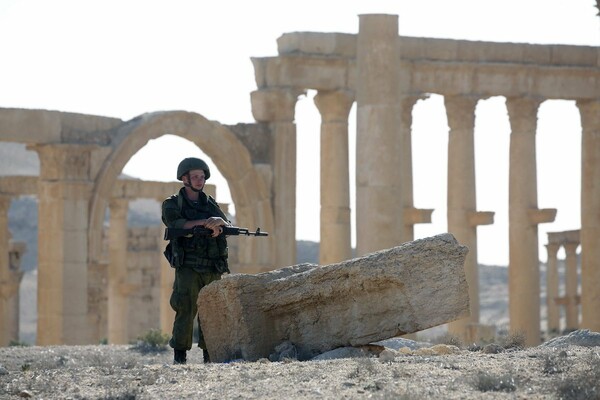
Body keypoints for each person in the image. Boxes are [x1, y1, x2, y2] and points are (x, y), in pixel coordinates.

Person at [161, 157, 230, 364]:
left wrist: (220, 222)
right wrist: (204, 223)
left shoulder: (209, 204)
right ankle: (180, 357)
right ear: (185, 179)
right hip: (188, 266)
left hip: (211, 266)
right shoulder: (172, 204)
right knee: (185, 309)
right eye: (195, 177)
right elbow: (175, 223)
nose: (200, 181)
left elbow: (226, 223)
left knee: (212, 311)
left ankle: (209, 356)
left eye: (202, 177)